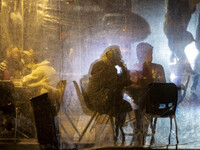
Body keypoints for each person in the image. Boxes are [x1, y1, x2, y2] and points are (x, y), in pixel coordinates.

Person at [84, 45, 132, 144]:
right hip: (99, 101)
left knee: (123, 104)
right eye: (118, 56)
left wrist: (123, 70)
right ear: (111, 56)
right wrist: (124, 69)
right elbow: (116, 84)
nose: (120, 58)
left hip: (98, 99)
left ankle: (118, 130)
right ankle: (119, 131)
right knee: (125, 105)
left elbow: (117, 83)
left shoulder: (104, 66)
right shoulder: (104, 68)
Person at [128, 42, 166, 145]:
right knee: (136, 105)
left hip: (153, 102)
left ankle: (139, 134)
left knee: (141, 106)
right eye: (149, 53)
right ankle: (139, 132)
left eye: (150, 53)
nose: (150, 56)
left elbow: (162, 85)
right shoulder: (134, 68)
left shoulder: (158, 68)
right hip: (139, 101)